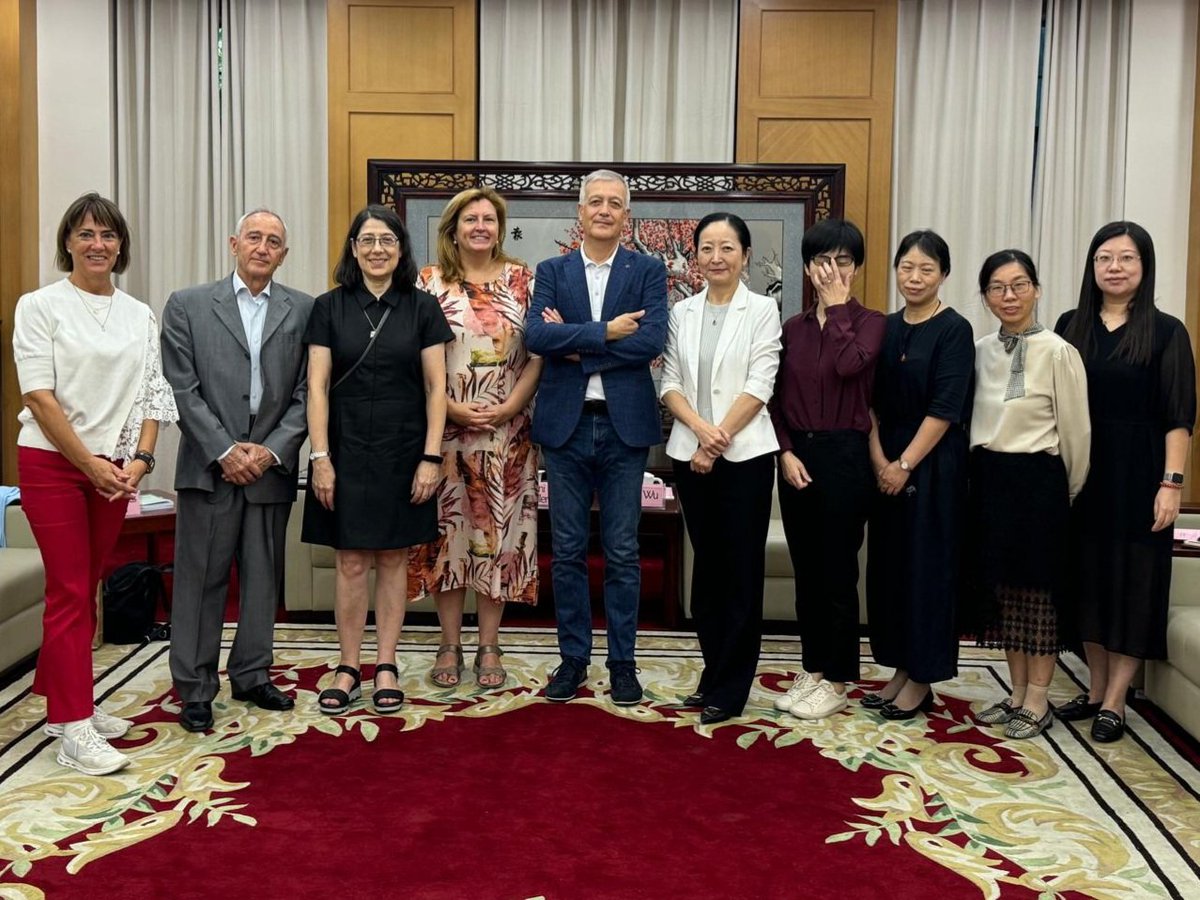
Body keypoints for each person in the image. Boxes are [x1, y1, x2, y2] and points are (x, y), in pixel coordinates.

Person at [13, 193, 177, 774]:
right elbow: (39, 396)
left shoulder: (138, 314)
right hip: (53, 465)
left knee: (85, 587)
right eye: (85, 234)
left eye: (107, 235)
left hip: (113, 470)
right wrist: (89, 464)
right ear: (68, 242)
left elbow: (154, 392)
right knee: (69, 590)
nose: (97, 244)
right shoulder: (40, 306)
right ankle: (75, 728)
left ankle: (64, 706)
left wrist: (141, 462)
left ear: (120, 245)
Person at [161, 209, 314, 733]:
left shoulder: (303, 310)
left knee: (263, 579)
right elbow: (181, 389)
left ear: (283, 254)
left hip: (270, 467)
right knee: (200, 580)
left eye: (273, 241)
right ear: (234, 244)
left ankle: (251, 674)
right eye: (254, 237)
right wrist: (225, 450)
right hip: (208, 467)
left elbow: (307, 393)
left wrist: (269, 451)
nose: (262, 247)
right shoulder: (187, 305)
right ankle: (195, 687)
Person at [524, 169, 668, 706]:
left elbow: (650, 341)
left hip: (623, 427)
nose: (604, 210)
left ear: (626, 215)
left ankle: (623, 664)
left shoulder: (648, 270)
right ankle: (573, 660)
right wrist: (606, 332)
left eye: (614, 203)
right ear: (580, 212)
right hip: (566, 426)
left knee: (623, 551)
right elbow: (537, 335)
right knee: (565, 551)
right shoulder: (552, 270)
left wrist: (574, 344)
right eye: (595, 202)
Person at [304, 205, 453, 715]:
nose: (376, 249)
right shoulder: (328, 307)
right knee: (349, 561)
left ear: (401, 249)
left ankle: (386, 663)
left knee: (393, 558)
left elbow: (436, 389)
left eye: (387, 240)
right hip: (343, 449)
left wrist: (431, 456)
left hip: (404, 450)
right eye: (367, 240)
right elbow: (317, 387)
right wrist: (319, 457)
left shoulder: (423, 308)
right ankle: (348, 666)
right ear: (353, 248)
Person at [1055, 222, 1196, 742]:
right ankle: (1095, 689)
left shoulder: (1166, 332)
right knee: (1085, 580)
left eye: (1126, 258)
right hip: (1080, 474)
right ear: (1092, 266)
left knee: (1133, 583)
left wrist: (1171, 484)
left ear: (1144, 266)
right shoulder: (1070, 325)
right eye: (1104, 258)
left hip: (1139, 476)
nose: (1114, 267)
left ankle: (1117, 699)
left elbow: (1178, 417)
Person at [407, 187, 543, 688]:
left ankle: (489, 643)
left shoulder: (523, 280)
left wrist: (510, 406)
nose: (480, 226)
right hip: (444, 433)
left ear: (500, 228)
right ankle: (449, 643)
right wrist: (450, 407)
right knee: (449, 538)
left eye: (489, 219)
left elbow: (539, 357)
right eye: (471, 219)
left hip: (509, 435)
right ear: (454, 228)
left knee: (498, 539)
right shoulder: (428, 283)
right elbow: (412, 357)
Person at [660, 212, 781, 725]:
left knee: (740, 572)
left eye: (727, 247)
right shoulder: (682, 311)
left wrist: (717, 439)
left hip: (744, 458)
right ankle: (712, 674)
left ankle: (732, 688)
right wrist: (699, 432)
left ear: (745, 255)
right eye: (707, 248)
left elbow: (761, 383)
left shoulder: (763, 310)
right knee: (707, 570)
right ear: (695, 257)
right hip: (690, 455)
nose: (716, 257)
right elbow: (669, 382)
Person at [968, 250, 1090, 739]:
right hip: (990, 480)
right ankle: (1016, 693)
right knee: (1005, 595)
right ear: (985, 297)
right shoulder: (980, 350)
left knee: (1038, 597)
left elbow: (1077, 435)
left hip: (1039, 483)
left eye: (1019, 285)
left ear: (1036, 290)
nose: (1009, 296)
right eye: (997, 287)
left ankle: (1039, 699)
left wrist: (1066, 492)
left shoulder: (1059, 351)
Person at [769, 219, 885, 720]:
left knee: (837, 572)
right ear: (807, 266)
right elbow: (774, 399)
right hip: (798, 456)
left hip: (846, 455)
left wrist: (836, 307)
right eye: (822, 260)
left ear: (855, 268)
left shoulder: (871, 322)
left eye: (842, 261)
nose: (831, 270)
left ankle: (838, 680)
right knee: (807, 573)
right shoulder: (791, 329)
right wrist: (785, 451)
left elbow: (849, 365)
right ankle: (813, 669)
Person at [864, 230, 975, 719]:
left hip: (933, 464)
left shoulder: (954, 330)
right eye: (907, 267)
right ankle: (900, 669)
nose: (914, 277)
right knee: (891, 571)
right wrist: (879, 461)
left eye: (926, 269)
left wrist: (904, 464)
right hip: (883, 459)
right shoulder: (884, 327)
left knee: (927, 571)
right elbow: (867, 402)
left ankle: (923, 678)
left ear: (943, 275)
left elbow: (946, 408)